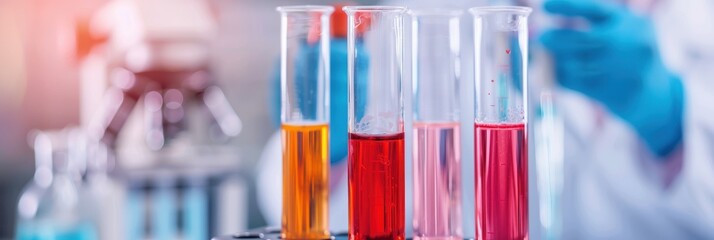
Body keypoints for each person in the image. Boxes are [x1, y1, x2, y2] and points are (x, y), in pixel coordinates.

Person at [257, 0, 714, 238]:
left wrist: (671, 123)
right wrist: (331, 155)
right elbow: (320, 215)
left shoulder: (700, 23)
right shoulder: (429, 22)